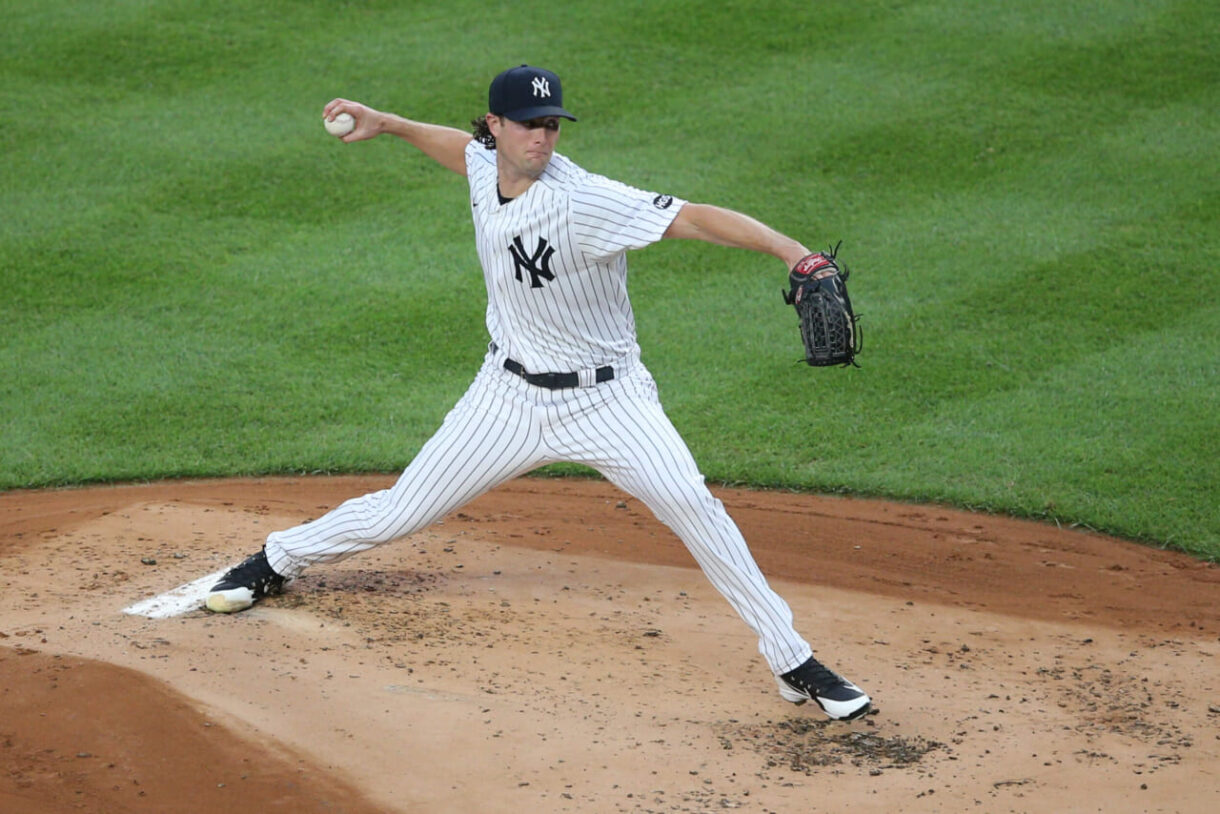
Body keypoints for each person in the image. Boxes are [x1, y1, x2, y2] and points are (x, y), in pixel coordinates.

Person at [205, 65, 870, 721]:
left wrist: (796, 254)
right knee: (400, 511)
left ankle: (792, 661)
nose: (543, 139)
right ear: (496, 126)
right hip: (508, 398)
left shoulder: (582, 201)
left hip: (609, 403)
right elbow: (460, 153)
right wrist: (391, 125)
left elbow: (693, 219)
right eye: (529, 125)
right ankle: (276, 559)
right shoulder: (485, 164)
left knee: (694, 506)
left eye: (551, 126)